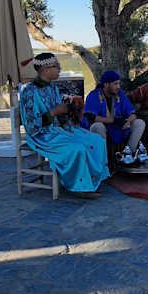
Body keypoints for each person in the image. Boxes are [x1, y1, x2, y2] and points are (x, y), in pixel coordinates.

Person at [19, 52, 109, 197]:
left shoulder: (52, 87)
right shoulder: (29, 91)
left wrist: (69, 109)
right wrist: (55, 112)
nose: (59, 68)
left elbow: (60, 113)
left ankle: (93, 178)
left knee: (96, 140)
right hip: (41, 136)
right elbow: (30, 125)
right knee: (77, 148)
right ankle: (79, 186)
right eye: (56, 66)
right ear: (45, 70)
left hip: (59, 130)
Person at [83, 70, 145, 162]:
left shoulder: (120, 94)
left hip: (118, 128)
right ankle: (103, 161)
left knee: (139, 123)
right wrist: (114, 121)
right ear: (106, 84)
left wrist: (127, 121)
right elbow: (91, 117)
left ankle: (127, 154)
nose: (118, 86)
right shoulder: (93, 95)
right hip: (103, 128)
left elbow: (133, 114)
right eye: (115, 84)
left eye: (119, 83)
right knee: (97, 126)